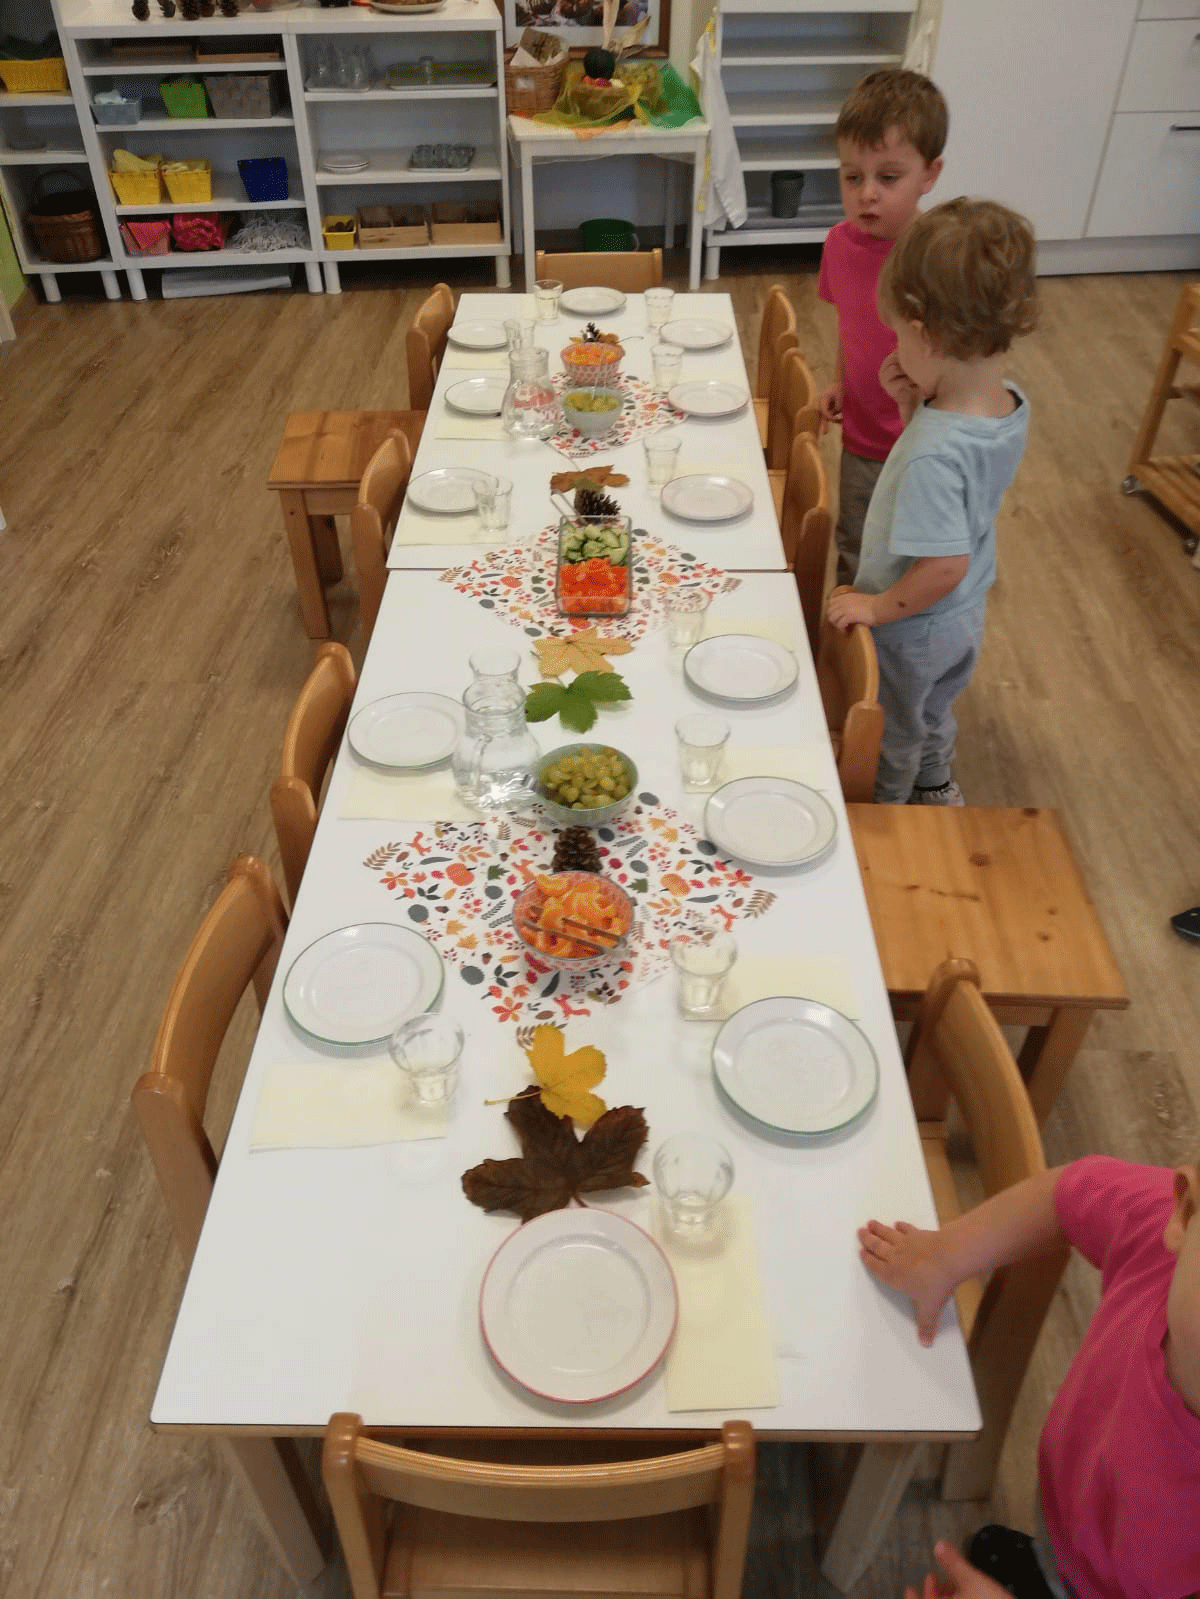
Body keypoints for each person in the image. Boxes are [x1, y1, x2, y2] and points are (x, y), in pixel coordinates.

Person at [858, 1157, 1200, 1599]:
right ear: (1185, 1214)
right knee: (1056, 1560)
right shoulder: (1155, 1227)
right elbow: (1070, 1194)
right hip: (1071, 1510)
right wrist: (948, 1253)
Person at [826, 197, 1037, 805]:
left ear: (926, 336)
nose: (892, 345)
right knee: (932, 708)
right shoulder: (1006, 403)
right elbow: (965, 482)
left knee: (893, 728)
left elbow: (944, 565)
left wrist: (876, 606)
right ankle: (936, 785)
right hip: (961, 618)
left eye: (897, 332)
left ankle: (893, 816)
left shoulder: (931, 454)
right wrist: (910, 409)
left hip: (914, 622)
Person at [817, 68, 947, 585]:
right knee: (854, 542)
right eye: (853, 177)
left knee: (908, 555)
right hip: (861, 437)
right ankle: (849, 632)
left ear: (929, 175)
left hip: (922, 443)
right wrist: (839, 383)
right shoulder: (838, 245)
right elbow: (849, 326)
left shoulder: (938, 258)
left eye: (888, 178)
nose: (867, 193)